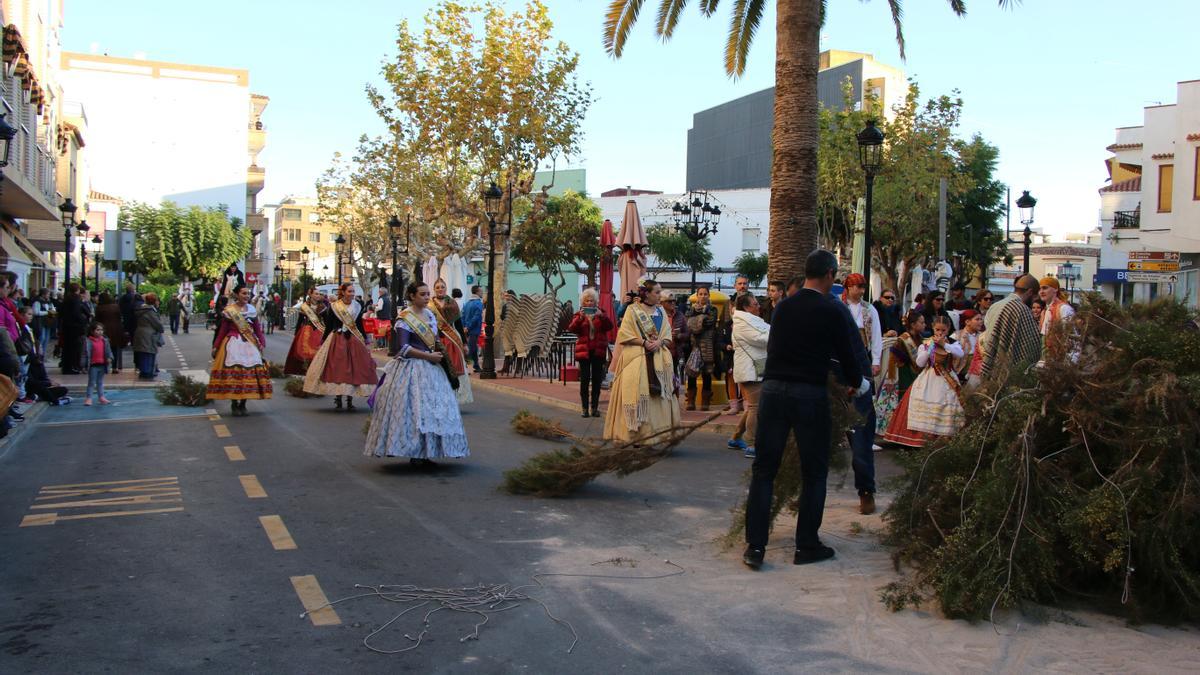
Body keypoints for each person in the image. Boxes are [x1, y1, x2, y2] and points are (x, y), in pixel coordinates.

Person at [743, 250, 869, 569]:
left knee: (764, 470)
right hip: (808, 394)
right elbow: (847, 354)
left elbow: (775, 347)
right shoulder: (833, 309)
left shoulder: (783, 307)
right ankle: (806, 546)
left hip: (773, 391)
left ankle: (755, 547)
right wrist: (857, 381)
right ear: (829, 274)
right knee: (814, 472)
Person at [364, 281, 470, 466]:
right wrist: (428, 356)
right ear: (412, 296)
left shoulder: (429, 314)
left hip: (432, 369)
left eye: (428, 293)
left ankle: (427, 452)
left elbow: (434, 340)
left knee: (432, 412)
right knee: (413, 412)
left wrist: (440, 356)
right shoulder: (404, 318)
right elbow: (402, 348)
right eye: (422, 294)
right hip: (411, 368)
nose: (427, 297)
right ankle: (414, 452)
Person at [603, 280, 681, 443]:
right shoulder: (632, 310)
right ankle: (635, 435)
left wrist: (660, 342)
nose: (660, 295)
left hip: (659, 357)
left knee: (659, 397)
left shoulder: (660, 311)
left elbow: (667, 335)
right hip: (636, 358)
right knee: (637, 397)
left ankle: (656, 435)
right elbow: (624, 334)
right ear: (647, 293)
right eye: (657, 292)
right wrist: (644, 343)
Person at [841, 273, 882, 514]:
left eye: (862, 286)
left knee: (861, 439)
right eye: (856, 286)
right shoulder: (838, 308)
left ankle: (866, 490)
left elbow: (875, 336)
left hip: (859, 370)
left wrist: (874, 361)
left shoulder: (870, 311)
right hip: (836, 374)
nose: (860, 290)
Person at [303, 282, 376, 409]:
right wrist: (323, 341)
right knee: (337, 368)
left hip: (353, 339)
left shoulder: (357, 306)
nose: (352, 294)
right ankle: (338, 397)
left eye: (353, 291)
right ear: (343, 292)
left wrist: (365, 339)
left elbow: (359, 324)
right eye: (349, 291)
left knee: (354, 368)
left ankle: (349, 398)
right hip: (338, 339)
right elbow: (329, 325)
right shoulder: (334, 306)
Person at [208, 286, 272, 416]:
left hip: (249, 344)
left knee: (250, 373)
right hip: (233, 343)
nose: (246, 296)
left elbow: (257, 328)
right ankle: (234, 403)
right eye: (243, 293)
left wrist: (261, 342)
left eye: (248, 293)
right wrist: (216, 345)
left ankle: (243, 403)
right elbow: (223, 330)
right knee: (235, 373)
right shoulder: (229, 311)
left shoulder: (252, 310)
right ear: (237, 294)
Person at [904, 315, 966, 438]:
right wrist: (930, 348)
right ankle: (928, 438)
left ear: (948, 329)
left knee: (948, 404)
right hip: (929, 378)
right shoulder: (926, 343)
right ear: (933, 328)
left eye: (943, 330)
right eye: (937, 329)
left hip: (948, 379)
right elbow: (919, 363)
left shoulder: (953, 343)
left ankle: (945, 437)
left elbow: (960, 353)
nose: (940, 332)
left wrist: (945, 345)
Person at [728, 292, 769, 459]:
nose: (758, 306)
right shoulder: (742, 324)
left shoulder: (750, 321)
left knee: (753, 405)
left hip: (754, 368)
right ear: (746, 307)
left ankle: (736, 437)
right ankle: (752, 444)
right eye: (755, 304)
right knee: (754, 407)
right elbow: (760, 340)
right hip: (749, 370)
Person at [877, 312, 927, 446]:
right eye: (921, 322)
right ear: (913, 324)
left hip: (912, 373)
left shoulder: (919, 338)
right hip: (902, 374)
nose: (924, 325)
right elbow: (896, 357)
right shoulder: (904, 339)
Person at [980, 274, 1042, 380]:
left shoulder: (995, 306)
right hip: (1009, 368)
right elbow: (1030, 345)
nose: (1034, 301)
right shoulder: (1022, 309)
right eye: (1035, 297)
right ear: (1030, 292)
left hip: (992, 362)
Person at [567, 288, 613, 418]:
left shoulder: (601, 313)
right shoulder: (578, 315)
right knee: (585, 380)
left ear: (596, 302)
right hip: (584, 352)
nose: (589, 303)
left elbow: (609, 327)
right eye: (587, 300)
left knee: (597, 380)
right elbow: (572, 329)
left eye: (592, 300)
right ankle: (584, 408)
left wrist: (601, 316)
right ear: (583, 302)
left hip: (598, 351)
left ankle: (595, 408)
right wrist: (580, 318)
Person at [430, 278, 473, 405]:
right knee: (439, 370)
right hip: (436, 340)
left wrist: (465, 343)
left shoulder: (453, 304)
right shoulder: (430, 306)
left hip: (453, 339)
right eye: (437, 287)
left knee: (456, 368)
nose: (440, 289)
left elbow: (459, 324)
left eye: (442, 287)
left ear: (446, 288)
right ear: (434, 289)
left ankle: (456, 397)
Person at [684, 286, 722, 411]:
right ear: (697, 295)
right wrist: (700, 319)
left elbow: (709, 322)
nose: (703, 296)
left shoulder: (713, 309)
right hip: (694, 345)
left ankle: (705, 402)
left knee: (707, 373)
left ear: (708, 295)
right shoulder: (691, 309)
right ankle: (691, 401)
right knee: (691, 372)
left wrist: (696, 320)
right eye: (700, 294)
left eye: (705, 294)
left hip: (709, 344)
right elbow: (688, 323)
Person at [722, 275, 751, 415]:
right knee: (731, 375)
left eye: (745, 283)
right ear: (735, 286)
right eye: (739, 284)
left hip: (747, 344)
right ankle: (734, 404)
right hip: (731, 346)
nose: (742, 286)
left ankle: (748, 404)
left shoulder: (755, 301)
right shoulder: (729, 301)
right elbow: (724, 325)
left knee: (746, 377)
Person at [285, 288, 326, 375]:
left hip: (319, 331)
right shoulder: (304, 307)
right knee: (304, 351)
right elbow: (299, 321)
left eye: (319, 294)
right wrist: (296, 334)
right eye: (316, 294)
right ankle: (305, 369)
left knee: (318, 351)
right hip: (306, 331)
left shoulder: (323, 307)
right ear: (310, 295)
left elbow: (326, 321)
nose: (318, 296)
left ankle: (316, 370)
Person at [1038, 276, 1075, 359]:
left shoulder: (1064, 309)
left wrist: (1070, 363)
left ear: (1055, 289)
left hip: (1061, 361)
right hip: (1048, 360)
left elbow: (1073, 338)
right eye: (1039, 289)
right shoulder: (1044, 311)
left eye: (1045, 288)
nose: (1041, 292)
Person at [57, 282, 87, 375]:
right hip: (75, 327)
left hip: (66, 326)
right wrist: (83, 320)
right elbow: (77, 313)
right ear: (77, 290)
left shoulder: (67, 299)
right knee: (74, 348)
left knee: (67, 348)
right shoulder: (76, 299)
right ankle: (72, 366)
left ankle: (66, 367)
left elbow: (61, 312)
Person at [80, 321, 113, 406]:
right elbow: (84, 354)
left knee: (100, 382)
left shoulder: (105, 341)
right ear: (92, 331)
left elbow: (108, 351)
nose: (100, 332)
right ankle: (89, 398)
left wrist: (109, 358)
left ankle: (101, 397)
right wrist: (83, 365)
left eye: (101, 330)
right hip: (93, 365)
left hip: (102, 364)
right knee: (91, 382)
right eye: (97, 330)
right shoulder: (88, 342)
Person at [132, 293, 164, 379]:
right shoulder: (150, 311)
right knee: (149, 353)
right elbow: (157, 324)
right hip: (149, 334)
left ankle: (144, 372)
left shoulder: (141, 309)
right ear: (154, 301)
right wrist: (161, 329)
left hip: (140, 332)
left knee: (143, 353)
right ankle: (147, 372)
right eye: (157, 300)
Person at [95, 293, 127, 374]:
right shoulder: (116, 307)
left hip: (104, 330)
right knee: (114, 348)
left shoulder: (99, 308)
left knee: (103, 348)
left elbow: (97, 320)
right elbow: (120, 317)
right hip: (116, 330)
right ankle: (114, 367)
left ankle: (104, 366)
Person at [955, 309, 985, 390]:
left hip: (977, 374)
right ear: (967, 322)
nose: (981, 322)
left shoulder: (983, 336)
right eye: (977, 319)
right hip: (959, 374)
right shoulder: (956, 336)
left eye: (981, 319)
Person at [462, 285, 484, 372]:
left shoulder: (467, 303)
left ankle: (476, 365)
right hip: (473, 329)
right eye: (481, 291)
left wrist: (464, 327)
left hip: (466, 329)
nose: (482, 293)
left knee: (472, 347)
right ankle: (464, 364)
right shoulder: (479, 303)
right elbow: (476, 317)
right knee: (471, 348)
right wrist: (468, 327)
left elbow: (462, 316)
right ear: (477, 292)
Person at [32, 288, 53, 355]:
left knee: (46, 339)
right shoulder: (37, 301)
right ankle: (38, 354)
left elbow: (52, 309)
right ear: (43, 294)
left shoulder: (49, 302)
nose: (49, 295)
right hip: (40, 322)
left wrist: (52, 311)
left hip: (48, 322)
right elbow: (36, 312)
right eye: (48, 294)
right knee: (42, 338)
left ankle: (43, 354)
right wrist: (47, 312)